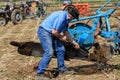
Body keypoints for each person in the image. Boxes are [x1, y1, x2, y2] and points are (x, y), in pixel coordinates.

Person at [36, 6, 80, 79]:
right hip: (45, 32)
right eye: (74, 18)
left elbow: (65, 31)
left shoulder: (67, 19)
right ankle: (40, 73)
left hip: (53, 33)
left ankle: (62, 70)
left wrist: (74, 42)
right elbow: (54, 31)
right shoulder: (62, 17)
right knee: (49, 52)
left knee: (61, 49)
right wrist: (61, 37)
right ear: (71, 15)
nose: (73, 19)